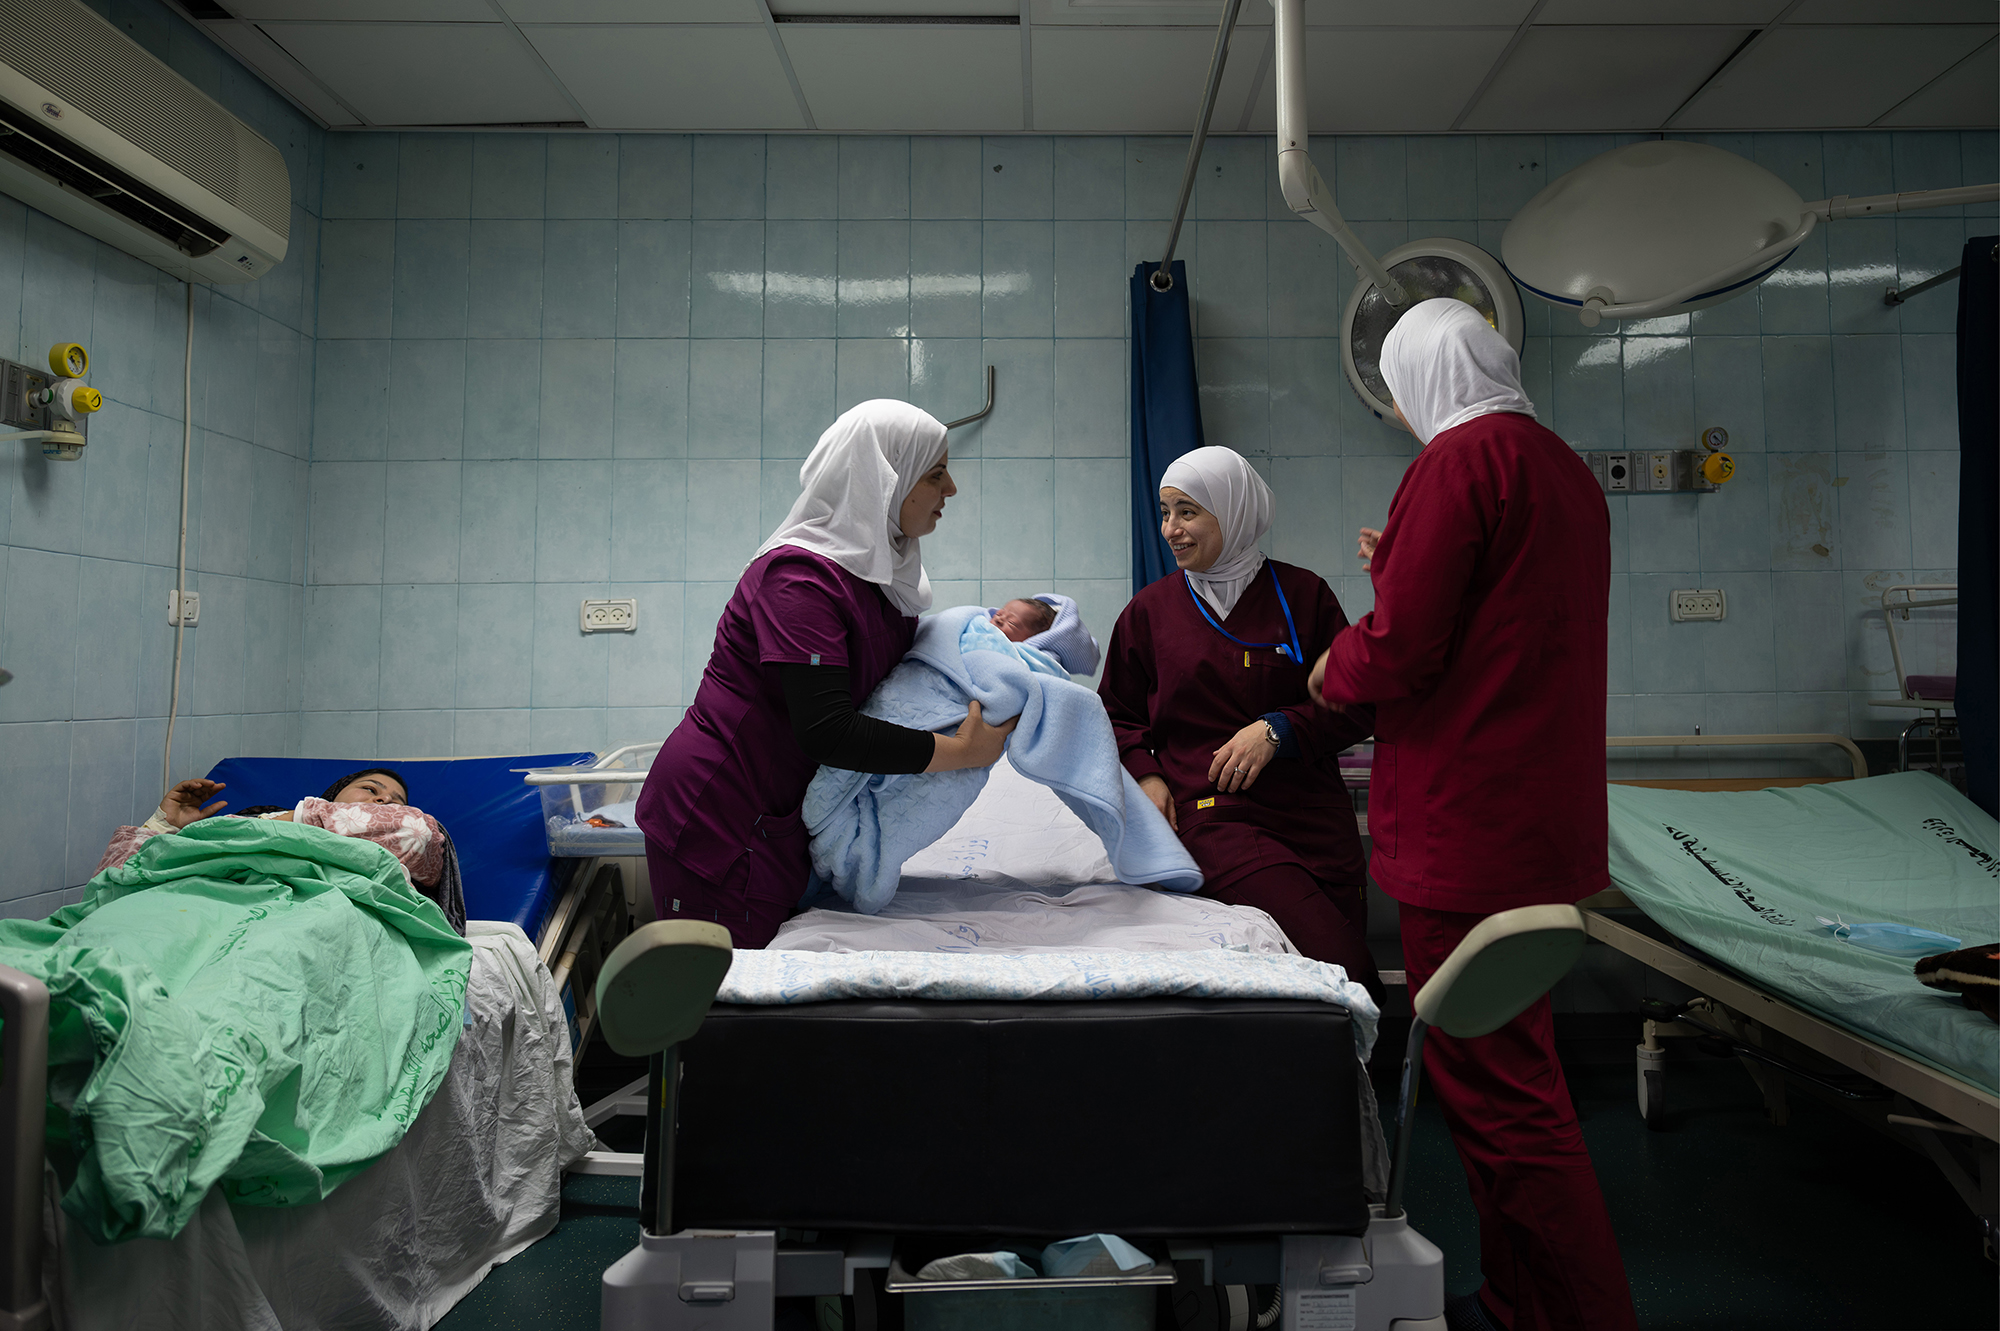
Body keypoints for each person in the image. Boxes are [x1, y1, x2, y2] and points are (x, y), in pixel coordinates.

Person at [1308, 298, 1635, 1331]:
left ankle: (1585, 1312)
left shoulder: (1455, 464)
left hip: (1468, 821)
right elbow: (1502, 612)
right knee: (1501, 1072)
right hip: (1536, 815)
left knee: (1504, 1095)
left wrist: (1330, 669)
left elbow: (1401, 648)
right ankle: (1517, 1298)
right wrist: (1394, 563)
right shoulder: (1560, 469)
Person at [635, 399, 1017, 948]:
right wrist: (963, 752)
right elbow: (827, 728)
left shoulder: (881, 577)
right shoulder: (799, 578)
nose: (950, 489)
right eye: (935, 474)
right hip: (721, 813)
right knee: (718, 1004)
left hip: (780, 812)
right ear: (885, 481)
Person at [1097, 445, 1382, 1004]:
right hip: (1216, 817)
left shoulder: (1303, 596)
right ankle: (1387, 1077)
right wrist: (1150, 777)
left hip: (1316, 819)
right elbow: (1116, 715)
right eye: (1165, 512)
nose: (1171, 529)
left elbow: (1358, 701)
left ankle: (1345, 1090)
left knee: (1338, 966)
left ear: (1233, 511)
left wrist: (1279, 729)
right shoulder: (1149, 613)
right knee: (1349, 973)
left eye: (1187, 512)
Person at [94, 766, 468, 933]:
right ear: (332, 797)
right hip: (195, 907)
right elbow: (115, 882)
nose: (385, 799)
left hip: (297, 921)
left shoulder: (407, 836)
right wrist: (165, 826)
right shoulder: (245, 822)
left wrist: (234, 831)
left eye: (396, 799)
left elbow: (414, 831)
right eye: (370, 790)